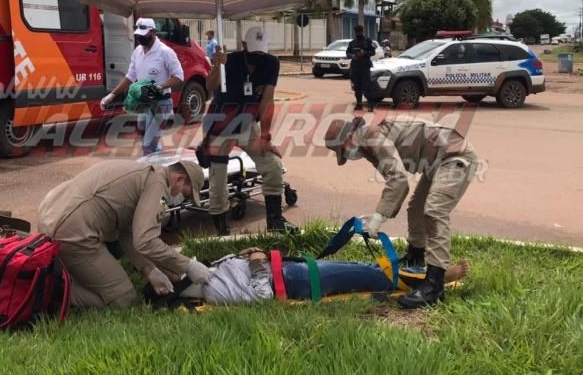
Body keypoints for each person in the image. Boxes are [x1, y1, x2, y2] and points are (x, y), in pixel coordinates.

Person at [324, 116, 479, 308]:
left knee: (434, 211)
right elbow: (394, 180)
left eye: (343, 150)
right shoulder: (367, 147)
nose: (347, 155)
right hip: (437, 163)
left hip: (456, 157)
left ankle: (434, 284)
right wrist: (379, 214)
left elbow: (398, 180)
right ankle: (415, 256)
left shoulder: (371, 136)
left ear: (348, 138)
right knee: (416, 209)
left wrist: (379, 217)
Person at [37, 159, 211, 309]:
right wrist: (188, 266)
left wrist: (149, 270)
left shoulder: (145, 173)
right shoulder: (158, 186)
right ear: (179, 179)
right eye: (185, 195)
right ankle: (53, 290)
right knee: (124, 299)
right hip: (72, 230)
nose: (181, 199)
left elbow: (127, 232)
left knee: (111, 268)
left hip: (50, 215)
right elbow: (146, 241)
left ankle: (63, 274)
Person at [203, 26, 296, 235]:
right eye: (254, 52)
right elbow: (209, 86)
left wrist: (266, 135)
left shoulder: (272, 63)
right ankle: (222, 228)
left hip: (247, 124)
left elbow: (267, 100)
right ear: (244, 46)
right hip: (220, 124)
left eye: (261, 52)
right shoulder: (230, 60)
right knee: (218, 176)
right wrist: (218, 65)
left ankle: (275, 221)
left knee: (272, 165)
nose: (258, 57)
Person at [170, 248, 469, 306]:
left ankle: (423, 275)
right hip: (292, 281)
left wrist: (245, 255)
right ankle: (434, 279)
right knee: (366, 274)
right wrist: (258, 264)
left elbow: (239, 272)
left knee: (361, 267)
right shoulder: (210, 292)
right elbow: (260, 297)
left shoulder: (203, 277)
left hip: (289, 271)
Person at [100, 18, 184, 155]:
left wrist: (159, 87)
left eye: (143, 35)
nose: (139, 38)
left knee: (148, 145)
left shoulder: (165, 52)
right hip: (143, 103)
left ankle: (153, 171)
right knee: (143, 134)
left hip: (161, 103)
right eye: (138, 35)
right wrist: (111, 95)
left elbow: (179, 77)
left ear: (153, 32)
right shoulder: (137, 52)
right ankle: (159, 162)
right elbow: (130, 77)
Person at [346, 24, 376, 112]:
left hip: (365, 67)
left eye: (359, 32)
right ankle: (359, 103)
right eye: (356, 32)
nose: (358, 33)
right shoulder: (352, 43)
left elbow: (373, 52)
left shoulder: (368, 41)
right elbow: (347, 53)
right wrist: (352, 56)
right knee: (357, 87)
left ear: (362, 31)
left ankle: (370, 105)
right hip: (355, 67)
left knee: (367, 86)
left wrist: (364, 53)